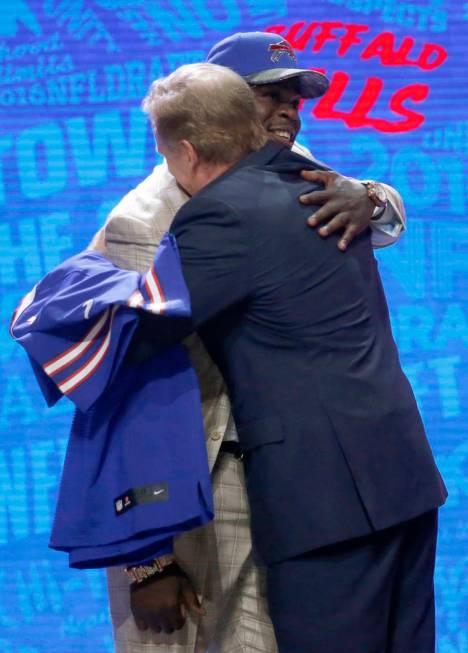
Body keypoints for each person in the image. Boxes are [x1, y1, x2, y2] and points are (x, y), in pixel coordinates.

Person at [104, 33, 407, 653]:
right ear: (217, 106)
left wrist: (370, 197)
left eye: (294, 97)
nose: (289, 111)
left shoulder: (292, 172)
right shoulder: (144, 220)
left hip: (285, 477)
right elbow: (123, 389)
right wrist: (146, 560)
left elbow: (390, 211)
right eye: (268, 97)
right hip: (193, 487)